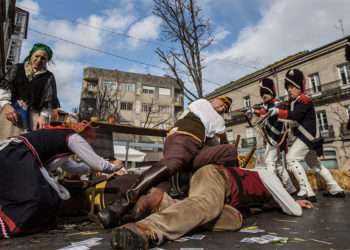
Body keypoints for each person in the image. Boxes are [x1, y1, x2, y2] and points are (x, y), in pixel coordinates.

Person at [110, 144, 313, 250]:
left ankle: (163, 202)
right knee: (206, 205)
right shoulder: (268, 175)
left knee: (234, 219)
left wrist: (289, 201)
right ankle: (148, 229)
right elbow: (291, 208)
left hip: (217, 190)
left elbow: (279, 201)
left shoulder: (266, 187)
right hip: (216, 178)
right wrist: (293, 202)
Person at [98, 96, 233, 228]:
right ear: (213, 100)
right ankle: (121, 205)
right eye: (221, 104)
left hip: (188, 143)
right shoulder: (204, 105)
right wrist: (222, 140)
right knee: (173, 163)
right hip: (185, 138)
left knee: (227, 151)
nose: (222, 108)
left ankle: (130, 216)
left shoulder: (209, 117)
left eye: (225, 108)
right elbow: (222, 136)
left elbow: (215, 140)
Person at [0, 121, 124, 239]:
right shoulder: (74, 137)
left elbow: (71, 166)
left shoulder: (61, 141)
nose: (90, 144)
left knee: (48, 198)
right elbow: (97, 163)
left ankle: (31, 226)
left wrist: (90, 170)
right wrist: (114, 166)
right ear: (85, 135)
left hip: (13, 154)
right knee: (37, 198)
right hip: (17, 154)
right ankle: (7, 227)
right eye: (90, 140)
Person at [269, 68, 345, 201]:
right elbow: (292, 117)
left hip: (307, 136)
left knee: (291, 159)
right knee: (315, 165)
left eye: (293, 87)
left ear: (300, 87)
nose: (290, 90)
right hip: (309, 137)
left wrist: (278, 112)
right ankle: (335, 189)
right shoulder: (295, 101)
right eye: (288, 87)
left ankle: (306, 191)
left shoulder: (304, 100)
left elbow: (296, 116)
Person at [0, 43, 60, 140]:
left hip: (33, 118)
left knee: (25, 147)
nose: (39, 60)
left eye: (43, 58)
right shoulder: (16, 68)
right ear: (31, 55)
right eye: (37, 56)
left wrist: (43, 117)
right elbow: (4, 89)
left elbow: (48, 101)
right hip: (10, 113)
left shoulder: (49, 77)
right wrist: (6, 106)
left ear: (47, 61)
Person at [254, 78, 296, 194]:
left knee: (269, 162)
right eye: (262, 93)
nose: (264, 95)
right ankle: (290, 188)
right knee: (277, 164)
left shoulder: (278, 104)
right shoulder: (267, 105)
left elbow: (275, 112)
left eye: (266, 92)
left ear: (271, 92)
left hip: (275, 138)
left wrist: (261, 112)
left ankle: (274, 190)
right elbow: (264, 112)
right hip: (271, 138)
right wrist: (254, 112)